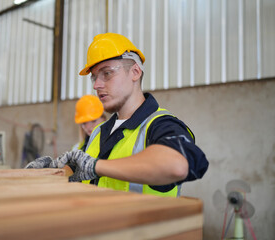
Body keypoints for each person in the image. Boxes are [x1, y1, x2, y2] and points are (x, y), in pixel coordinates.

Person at [26, 32, 209, 197]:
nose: (96, 85)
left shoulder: (160, 125)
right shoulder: (99, 132)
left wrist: (96, 167)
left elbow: (177, 165)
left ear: (135, 72)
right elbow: (81, 173)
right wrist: (52, 173)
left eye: (107, 73)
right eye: (94, 77)